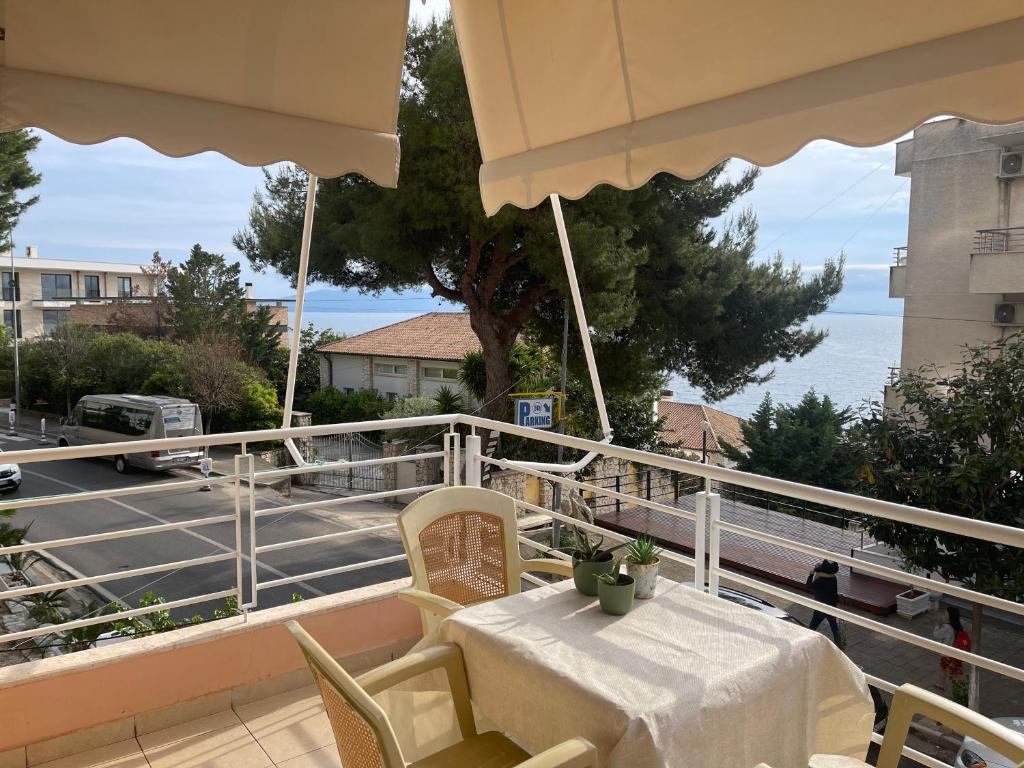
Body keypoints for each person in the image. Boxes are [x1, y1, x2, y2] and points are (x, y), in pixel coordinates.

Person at [935, 606, 971, 704]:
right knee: (945, 669)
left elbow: (937, 635)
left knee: (950, 671)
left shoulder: (947, 627)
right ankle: (942, 685)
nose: (945, 615)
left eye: (946, 614)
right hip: (952, 654)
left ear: (950, 616)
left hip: (950, 654)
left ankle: (953, 690)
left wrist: (938, 625)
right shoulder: (959, 624)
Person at [806, 559, 840, 642]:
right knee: (834, 627)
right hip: (831, 606)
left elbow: (808, 586)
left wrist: (811, 575)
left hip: (820, 607)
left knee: (813, 626)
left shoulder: (820, 580)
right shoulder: (833, 579)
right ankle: (838, 642)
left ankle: (807, 640)